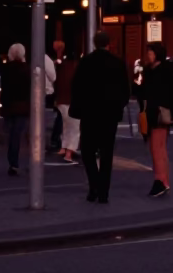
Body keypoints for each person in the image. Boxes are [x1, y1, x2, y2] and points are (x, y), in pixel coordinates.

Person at [69, 30, 130, 204]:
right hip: (109, 115)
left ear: (95, 43)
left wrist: (78, 109)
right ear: (108, 43)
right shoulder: (117, 63)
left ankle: (93, 185)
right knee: (106, 153)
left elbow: (77, 87)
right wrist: (118, 106)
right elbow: (125, 90)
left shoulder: (86, 62)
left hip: (90, 114)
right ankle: (104, 191)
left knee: (87, 152)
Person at [138, 43, 173, 198]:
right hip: (154, 112)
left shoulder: (163, 71)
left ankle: (160, 181)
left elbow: (171, 93)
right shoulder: (153, 70)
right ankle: (164, 180)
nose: (148, 55)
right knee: (159, 148)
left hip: (159, 112)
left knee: (157, 148)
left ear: (157, 54)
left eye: (151, 52)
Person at [0, 44, 30, 175]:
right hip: (23, 105)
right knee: (20, 134)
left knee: (11, 134)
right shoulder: (27, 69)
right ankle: (24, 162)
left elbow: (4, 88)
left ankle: (13, 161)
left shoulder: (6, 70)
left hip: (9, 105)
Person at [54, 49, 79, 163]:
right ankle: (69, 153)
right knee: (74, 128)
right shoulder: (77, 68)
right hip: (73, 101)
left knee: (66, 125)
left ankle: (63, 148)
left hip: (61, 100)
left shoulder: (61, 67)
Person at [49, 40, 65, 152]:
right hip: (59, 91)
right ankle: (56, 139)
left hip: (59, 91)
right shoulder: (56, 61)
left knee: (61, 116)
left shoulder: (58, 60)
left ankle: (56, 139)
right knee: (61, 117)